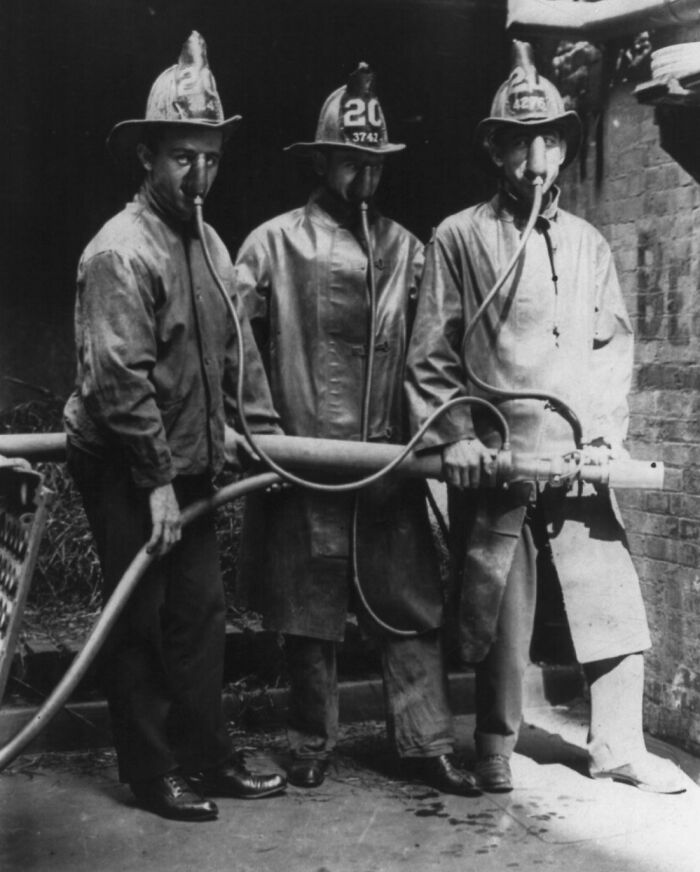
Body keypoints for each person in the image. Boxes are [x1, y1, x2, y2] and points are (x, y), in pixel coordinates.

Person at [405, 41, 686, 795]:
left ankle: (619, 747)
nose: (537, 159)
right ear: (496, 150)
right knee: (499, 613)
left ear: (563, 145)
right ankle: (494, 748)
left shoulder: (590, 245)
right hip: (500, 459)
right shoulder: (460, 239)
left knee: (612, 602)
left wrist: (602, 434)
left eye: (550, 141)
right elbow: (430, 355)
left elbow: (610, 345)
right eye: (521, 142)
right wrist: (456, 437)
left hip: (578, 459)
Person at [235, 63, 479, 796]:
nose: (366, 176)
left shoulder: (409, 249)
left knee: (408, 606)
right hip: (303, 458)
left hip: (386, 463)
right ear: (320, 162)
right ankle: (311, 740)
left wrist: (443, 434)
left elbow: (435, 349)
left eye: (375, 163)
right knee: (309, 612)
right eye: (352, 161)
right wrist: (264, 434)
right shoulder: (272, 245)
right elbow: (236, 346)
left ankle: (426, 741)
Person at [63, 32, 287, 821]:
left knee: (201, 612)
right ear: (149, 158)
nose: (200, 176)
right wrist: (157, 482)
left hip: (186, 458)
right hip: (129, 464)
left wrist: (248, 436)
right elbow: (118, 381)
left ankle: (207, 752)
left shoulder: (210, 243)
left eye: (212, 158)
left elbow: (228, 348)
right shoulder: (121, 252)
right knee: (142, 615)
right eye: (183, 158)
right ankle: (152, 770)